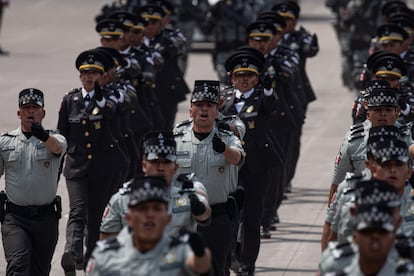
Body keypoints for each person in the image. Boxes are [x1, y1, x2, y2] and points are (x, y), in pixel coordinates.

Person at [173, 80, 245, 276]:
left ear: (216, 111)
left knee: (217, 269)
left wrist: (223, 149)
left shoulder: (227, 137)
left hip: (217, 216)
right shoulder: (177, 138)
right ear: (190, 111)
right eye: (199, 105)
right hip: (184, 214)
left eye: (209, 106)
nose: (203, 110)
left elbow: (238, 158)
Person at [58, 49, 120, 274]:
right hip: (75, 167)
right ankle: (73, 255)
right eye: (85, 73)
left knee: (96, 216)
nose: (89, 77)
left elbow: (115, 122)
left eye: (94, 72)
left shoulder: (110, 100)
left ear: (101, 75)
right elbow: (62, 135)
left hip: (101, 168)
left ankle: (91, 258)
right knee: (77, 210)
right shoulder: (69, 100)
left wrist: (103, 101)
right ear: (80, 76)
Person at [220, 47, 278, 275]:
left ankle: (247, 263)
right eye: (239, 76)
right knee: (230, 215)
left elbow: (271, 105)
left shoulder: (262, 96)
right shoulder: (224, 99)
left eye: (249, 76)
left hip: (256, 166)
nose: (244, 80)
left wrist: (269, 87)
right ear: (232, 78)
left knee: (252, 218)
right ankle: (231, 255)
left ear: (257, 78)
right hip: (229, 165)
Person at [0, 88, 67, 275]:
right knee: (18, 265)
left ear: (43, 113)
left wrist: (43, 136)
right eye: (26, 108)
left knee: (40, 270)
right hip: (15, 218)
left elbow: (58, 149)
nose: (30, 111)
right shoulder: (5, 142)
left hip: (45, 219)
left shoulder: (55, 138)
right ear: (18, 113)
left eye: (35, 108)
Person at [86, 176, 212, 275]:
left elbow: (200, 268)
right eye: (142, 209)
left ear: (167, 219)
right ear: (128, 217)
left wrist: (200, 253)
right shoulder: (106, 256)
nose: (149, 215)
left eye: (157, 209)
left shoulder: (180, 251)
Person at [99, 131, 211, 239]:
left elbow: (205, 212)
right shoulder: (123, 197)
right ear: (144, 165)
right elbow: (107, 239)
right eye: (155, 162)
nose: (161, 168)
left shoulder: (190, 188)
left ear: (175, 166)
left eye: (166, 162)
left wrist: (199, 208)